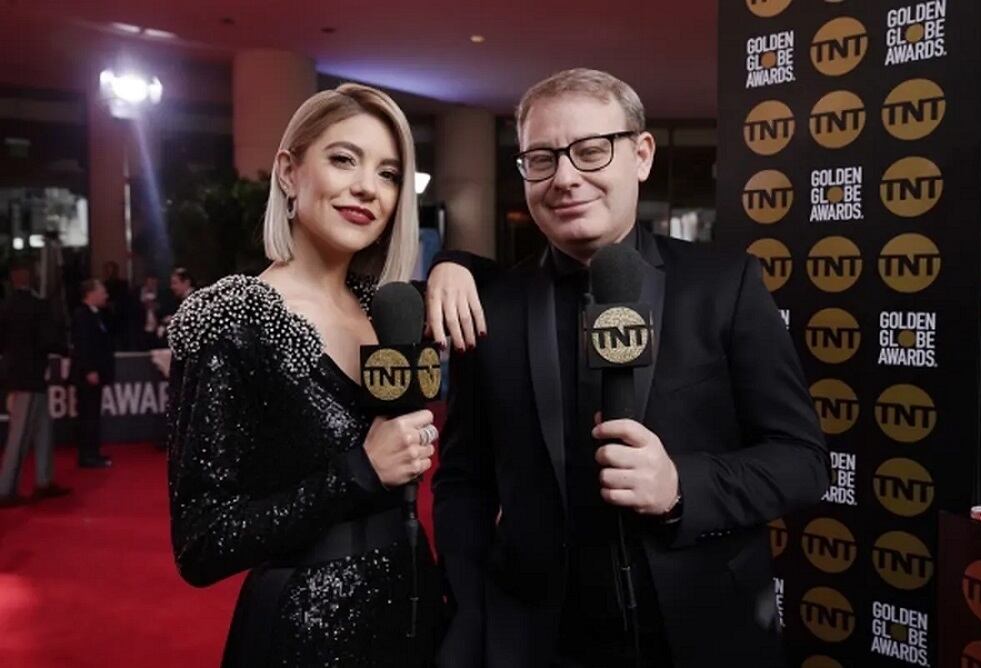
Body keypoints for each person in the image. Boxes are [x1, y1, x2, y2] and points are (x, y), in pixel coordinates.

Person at [428, 69, 828, 667]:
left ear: (641, 155)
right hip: (536, 639)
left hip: (704, 632)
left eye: (591, 151)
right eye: (541, 158)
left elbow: (802, 460)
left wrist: (679, 488)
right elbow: (464, 481)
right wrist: (471, 610)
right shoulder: (492, 307)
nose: (566, 177)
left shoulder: (725, 285)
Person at [166, 84, 453, 667]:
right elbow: (201, 544)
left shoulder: (388, 309)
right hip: (307, 636)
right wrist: (359, 472)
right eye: (344, 159)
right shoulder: (229, 317)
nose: (368, 187)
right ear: (289, 174)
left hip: (418, 616)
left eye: (389, 173)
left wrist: (458, 268)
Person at [0, 259, 70, 506]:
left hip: (19, 377)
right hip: (31, 379)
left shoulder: (6, 306)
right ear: (26, 276)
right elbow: (47, 340)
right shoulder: (37, 306)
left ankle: (44, 480)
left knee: (42, 431)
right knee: (20, 437)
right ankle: (6, 489)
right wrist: (65, 349)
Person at [70, 278, 114, 468]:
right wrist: (90, 369)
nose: (106, 295)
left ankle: (93, 452)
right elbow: (83, 345)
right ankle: (87, 455)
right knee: (87, 415)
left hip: (95, 374)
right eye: (102, 291)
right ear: (91, 293)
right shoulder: (82, 315)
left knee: (93, 415)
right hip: (87, 375)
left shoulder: (96, 314)